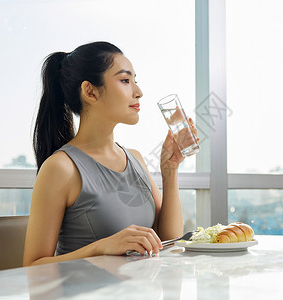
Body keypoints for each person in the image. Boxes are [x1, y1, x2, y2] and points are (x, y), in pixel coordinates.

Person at [23, 41, 197, 266]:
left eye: (135, 80)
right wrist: (101, 247)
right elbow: (32, 266)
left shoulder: (135, 159)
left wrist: (170, 169)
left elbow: (168, 242)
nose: (138, 92)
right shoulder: (60, 167)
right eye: (125, 80)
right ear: (90, 91)